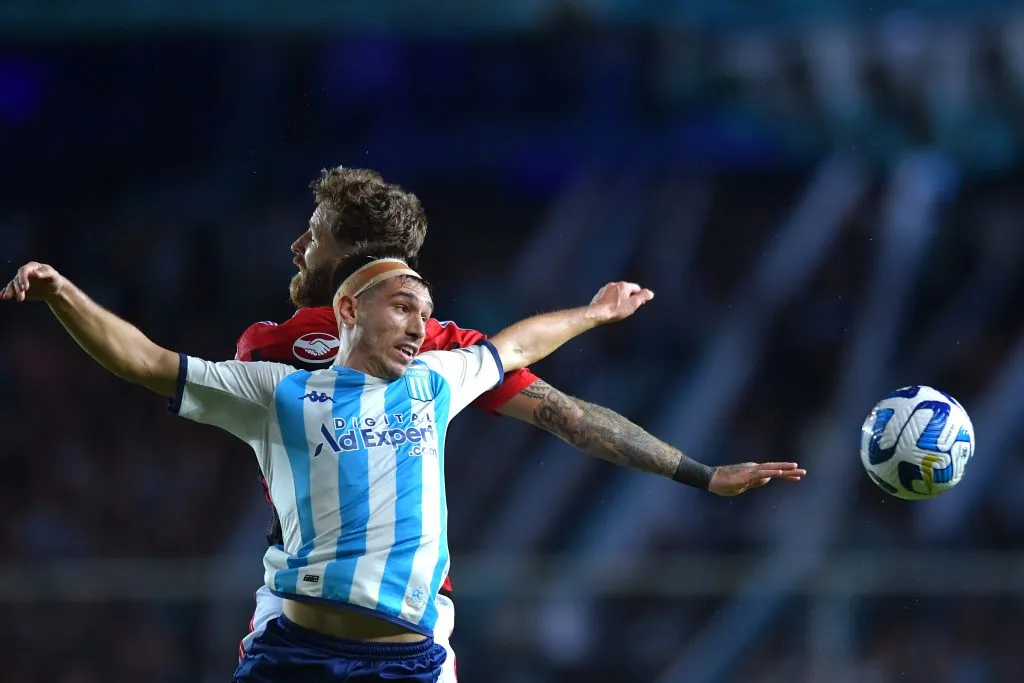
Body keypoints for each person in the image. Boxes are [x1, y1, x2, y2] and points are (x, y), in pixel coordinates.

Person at [236, 167, 807, 679]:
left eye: (315, 233)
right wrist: (700, 473)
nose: (298, 245)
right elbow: (575, 420)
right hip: (405, 618)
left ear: (351, 256)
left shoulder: (266, 346)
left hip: (299, 608)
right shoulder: (439, 350)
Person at [2, 256, 656, 682]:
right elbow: (146, 361)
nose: (418, 325)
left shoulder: (438, 379)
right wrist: (64, 295)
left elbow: (517, 344)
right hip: (295, 657)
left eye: (426, 314)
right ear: (349, 309)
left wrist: (596, 313)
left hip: (408, 662)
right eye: (403, 306)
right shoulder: (276, 391)